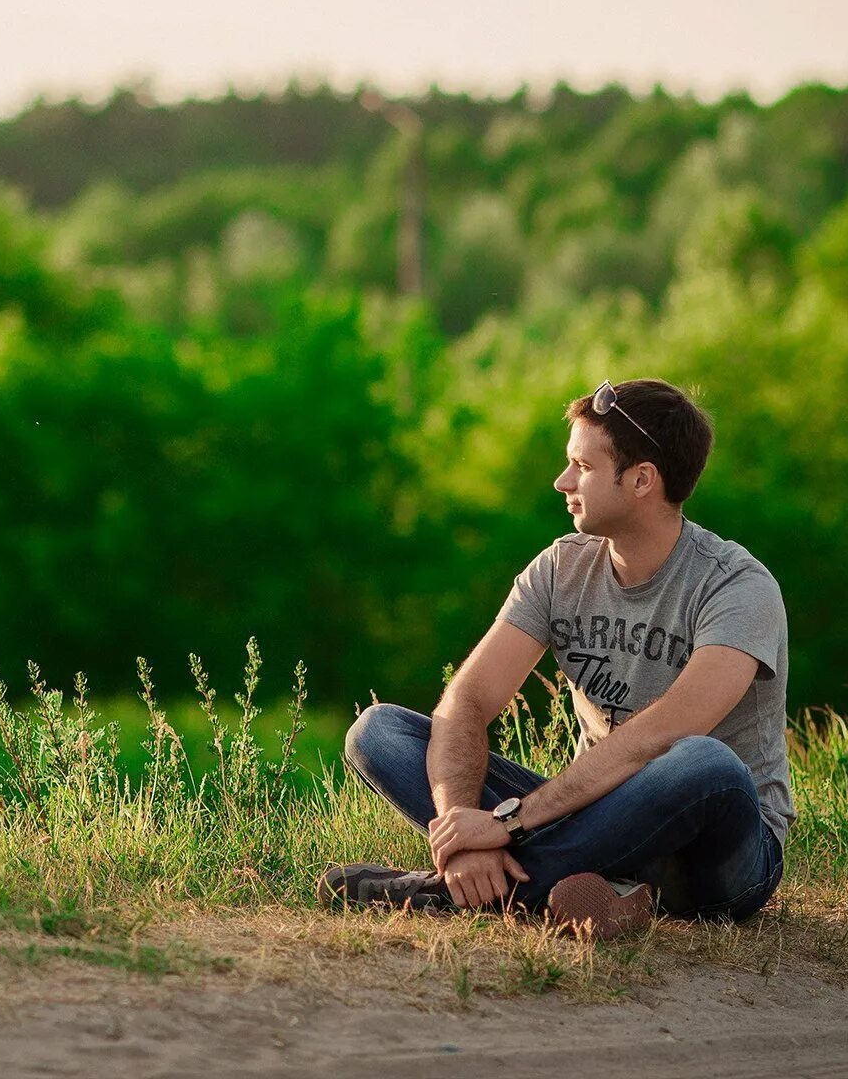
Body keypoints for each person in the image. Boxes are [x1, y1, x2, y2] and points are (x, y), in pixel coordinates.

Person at [322, 378, 792, 939]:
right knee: (379, 732)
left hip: (719, 856)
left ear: (642, 479)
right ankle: (581, 889)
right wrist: (463, 828)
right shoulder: (561, 569)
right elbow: (469, 700)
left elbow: (660, 737)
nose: (561, 481)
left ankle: (454, 893)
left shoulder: (738, 586)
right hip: (597, 825)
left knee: (702, 762)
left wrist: (508, 823)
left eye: (582, 468)